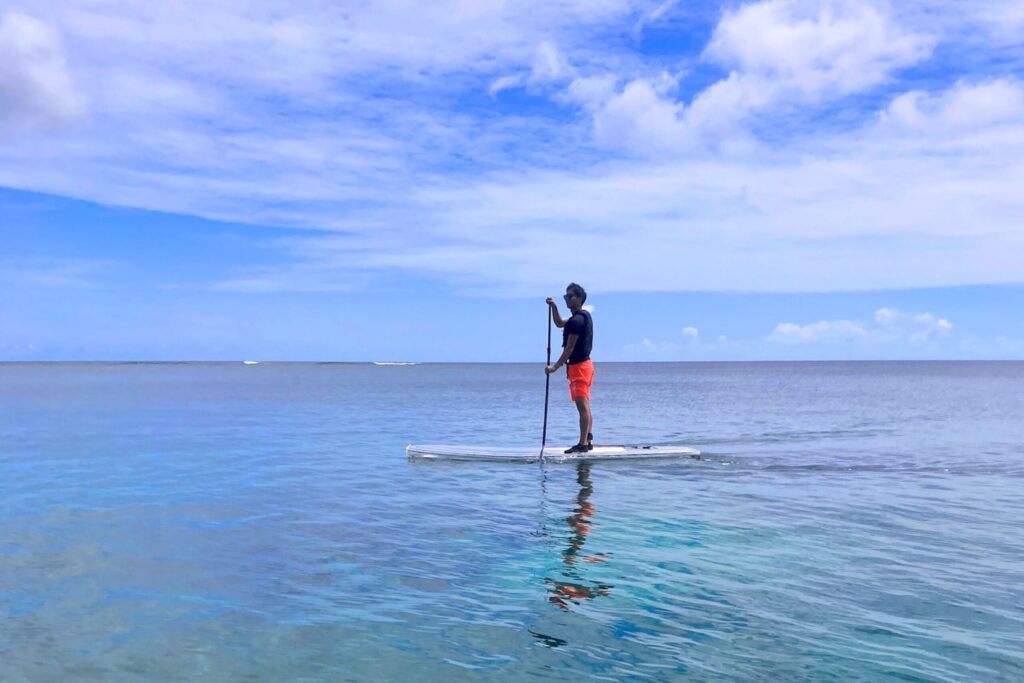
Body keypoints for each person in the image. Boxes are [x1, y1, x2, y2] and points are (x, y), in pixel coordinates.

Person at [545, 283, 594, 454]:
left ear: (579, 298)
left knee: (582, 406)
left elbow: (569, 349)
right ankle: (587, 440)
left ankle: (582, 445)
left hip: (579, 367)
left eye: (571, 296)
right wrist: (554, 306)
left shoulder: (578, 321)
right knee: (585, 405)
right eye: (566, 296)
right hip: (584, 366)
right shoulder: (579, 317)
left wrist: (555, 367)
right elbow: (559, 323)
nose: (568, 299)